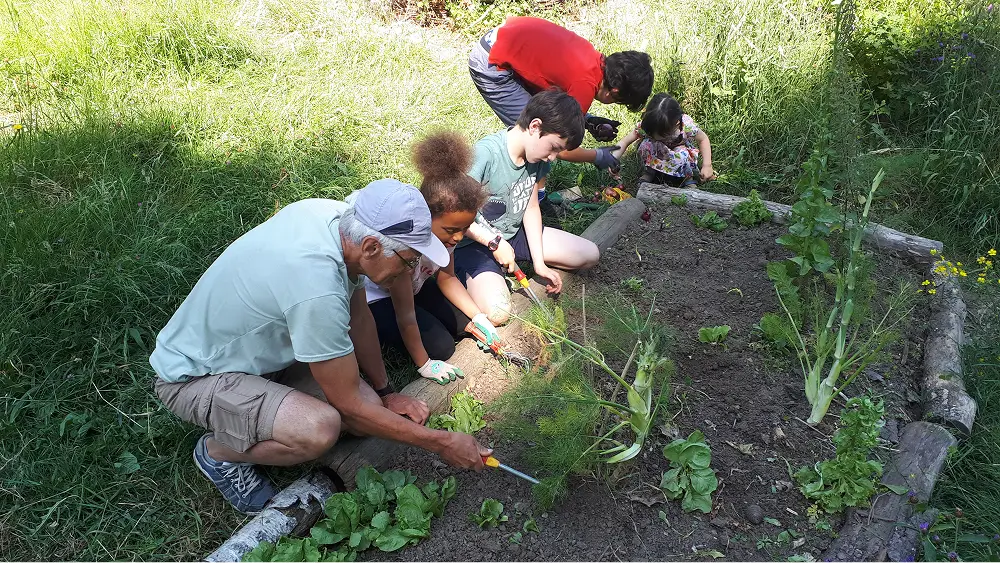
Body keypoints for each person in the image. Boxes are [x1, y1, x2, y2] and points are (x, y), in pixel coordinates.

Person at [149, 181, 491, 515]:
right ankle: (218, 453)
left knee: (371, 409)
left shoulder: (341, 222)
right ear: (372, 248)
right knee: (319, 429)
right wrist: (441, 442)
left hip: (266, 357)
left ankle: (267, 407)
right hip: (197, 376)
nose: (411, 269)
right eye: (409, 260)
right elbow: (350, 407)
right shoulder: (317, 287)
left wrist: (386, 392)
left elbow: (359, 318)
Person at [364, 131, 502, 384]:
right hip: (381, 298)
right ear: (425, 216)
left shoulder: (448, 237)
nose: (458, 237)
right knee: (441, 347)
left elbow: (447, 278)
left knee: (464, 323)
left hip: (414, 288)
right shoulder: (405, 251)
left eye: (465, 229)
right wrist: (424, 364)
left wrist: (478, 317)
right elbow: (405, 315)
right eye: (452, 230)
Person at [454, 89, 601, 325]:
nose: (553, 157)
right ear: (535, 126)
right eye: (553, 147)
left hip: (512, 235)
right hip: (473, 244)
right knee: (499, 312)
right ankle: (474, 277)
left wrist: (539, 263)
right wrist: (494, 242)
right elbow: (456, 213)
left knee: (589, 254)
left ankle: (505, 269)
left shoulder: (535, 158)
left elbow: (531, 208)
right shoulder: (486, 154)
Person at [468, 16, 654, 173]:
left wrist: (587, 120)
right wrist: (597, 156)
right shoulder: (585, 84)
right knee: (536, 139)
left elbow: (555, 96)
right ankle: (529, 195)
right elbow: (557, 144)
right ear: (615, 91)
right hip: (492, 63)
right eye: (618, 101)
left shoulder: (595, 61)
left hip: (503, 40)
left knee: (542, 126)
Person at [611, 93, 717, 187]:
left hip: (678, 150)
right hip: (658, 150)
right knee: (647, 145)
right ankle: (650, 172)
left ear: (676, 124)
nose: (653, 136)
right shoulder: (649, 125)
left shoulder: (686, 126)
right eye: (651, 134)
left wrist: (707, 165)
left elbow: (703, 139)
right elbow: (625, 141)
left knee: (683, 154)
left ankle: (687, 178)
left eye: (660, 134)